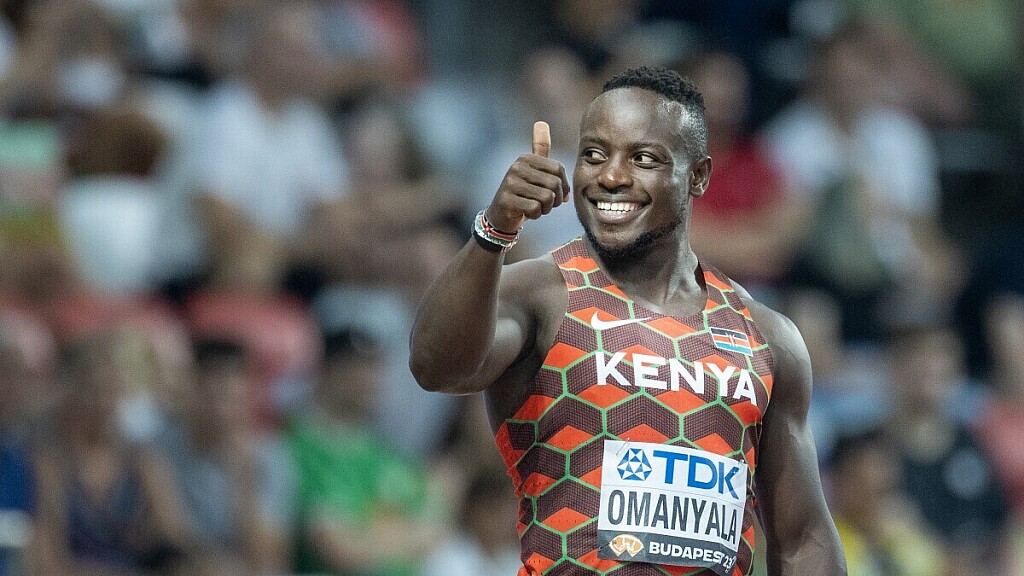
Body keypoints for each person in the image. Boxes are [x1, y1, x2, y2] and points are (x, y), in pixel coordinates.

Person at [410, 66, 845, 575]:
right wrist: (494, 230)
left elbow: (804, 538)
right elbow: (436, 367)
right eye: (594, 155)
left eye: (642, 159)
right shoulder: (542, 294)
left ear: (698, 176)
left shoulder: (766, 336)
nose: (611, 176)